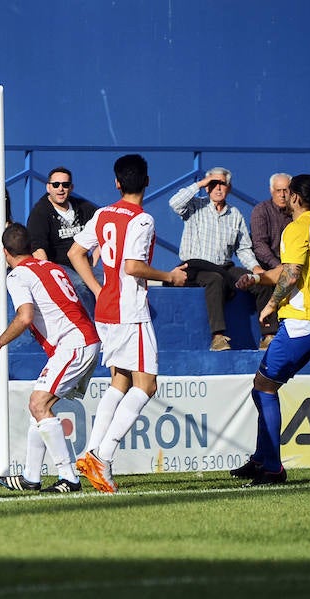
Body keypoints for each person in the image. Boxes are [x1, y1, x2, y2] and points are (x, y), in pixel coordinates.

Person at [69, 154, 188, 493]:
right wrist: (169, 276)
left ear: (118, 182)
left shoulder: (103, 213)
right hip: (129, 310)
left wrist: (96, 287)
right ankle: (102, 456)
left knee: (120, 381)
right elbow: (134, 266)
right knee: (147, 385)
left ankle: (90, 452)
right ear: (147, 181)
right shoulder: (143, 220)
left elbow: (76, 252)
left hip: (107, 309)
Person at [230, 174, 310, 486]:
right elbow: (287, 269)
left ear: (297, 198)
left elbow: (290, 273)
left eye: (289, 192)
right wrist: (257, 278)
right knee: (261, 385)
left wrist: (271, 304)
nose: (285, 197)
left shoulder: (296, 227)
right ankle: (262, 459)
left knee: (264, 387)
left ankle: (273, 467)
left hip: (303, 321)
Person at [0, 223, 100, 493]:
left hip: (74, 344)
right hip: (82, 340)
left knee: (38, 404)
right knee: (39, 406)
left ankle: (69, 477)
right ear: (30, 247)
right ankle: (30, 477)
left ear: (4, 252)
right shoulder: (51, 267)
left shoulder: (17, 276)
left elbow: (25, 317)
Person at [168, 167, 272, 351]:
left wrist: (256, 268)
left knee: (261, 281)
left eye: (221, 184)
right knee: (215, 280)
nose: (217, 188)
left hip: (224, 267)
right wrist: (200, 183)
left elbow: (244, 249)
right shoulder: (195, 206)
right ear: (207, 188)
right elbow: (174, 203)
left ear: (229, 188)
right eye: (212, 184)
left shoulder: (235, 215)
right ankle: (217, 338)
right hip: (195, 267)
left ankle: (268, 335)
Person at [26, 166, 97, 313]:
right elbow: (38, 249)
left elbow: (104, 230)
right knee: (80, 285)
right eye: (56, 185)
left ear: (71, 187)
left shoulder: (84, 207)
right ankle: (94, 329)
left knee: (110, 282)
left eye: (65, 185)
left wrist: (93, 261)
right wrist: (49, 278)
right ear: (48, 187)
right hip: (58, 266)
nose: (60, 189)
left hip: (83, 263)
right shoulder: (40, 212)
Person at [249, 173, 293, 349]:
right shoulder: (261, 210)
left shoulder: (296, 213)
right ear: (271, 191)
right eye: (278, 190)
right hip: (268, 265)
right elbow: (259, 244)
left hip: (292, 264)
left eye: (286, 190)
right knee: (264, 282)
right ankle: (269, 335)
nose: (282, 195)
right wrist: (278, 266)